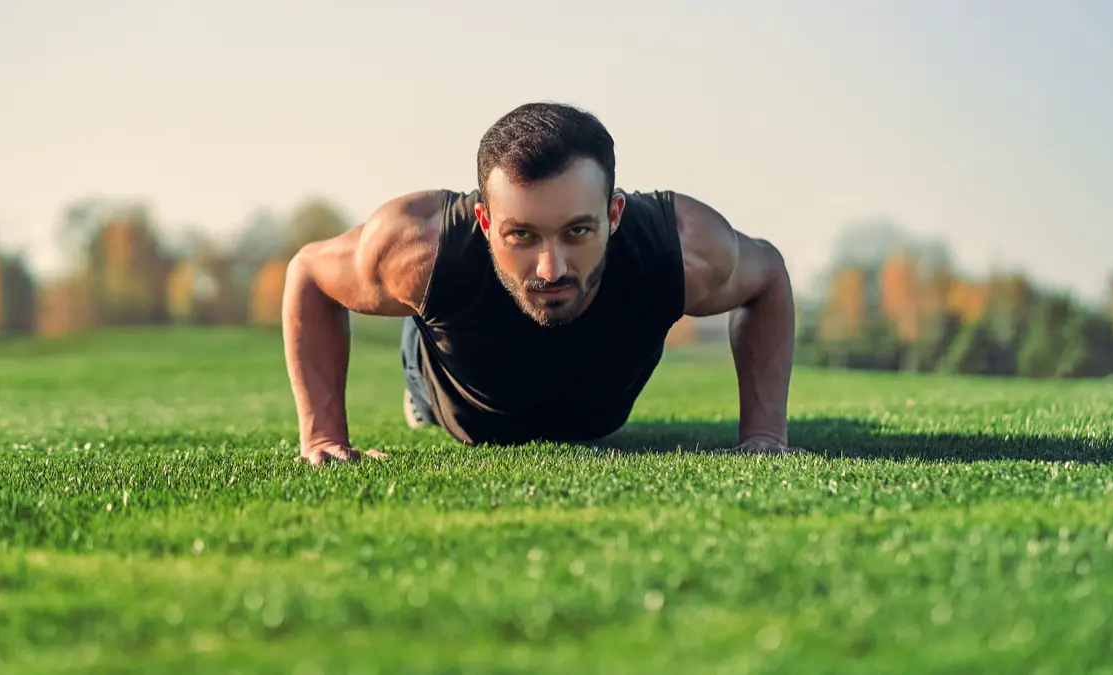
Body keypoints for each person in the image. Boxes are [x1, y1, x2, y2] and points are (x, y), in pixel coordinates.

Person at [282, 102, 798, 465]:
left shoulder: (682, 249)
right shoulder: (418, 248)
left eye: (577, 231)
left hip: (597, 411)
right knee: (427, 318)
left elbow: (768, 274)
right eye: (522, 235)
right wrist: (324, 435)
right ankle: (418, 395)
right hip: (451, 390)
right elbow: (309, 272)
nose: (551, 268)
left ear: (613, 213)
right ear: (486, 223)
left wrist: (764, 433)